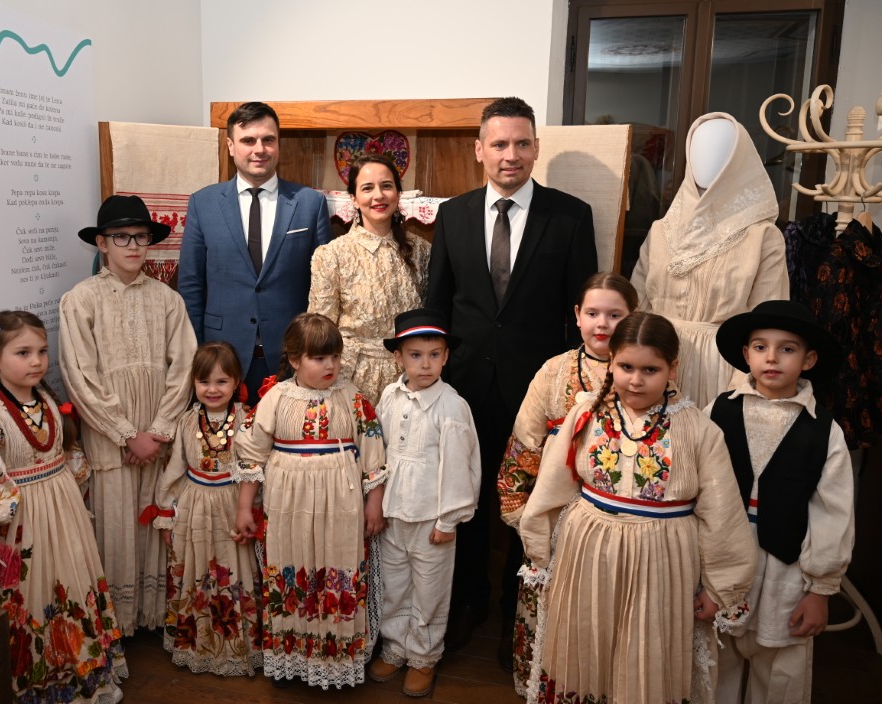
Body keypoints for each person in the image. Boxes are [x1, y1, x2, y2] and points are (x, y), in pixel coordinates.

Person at [426, 96, 598, 656]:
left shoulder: (570, 216)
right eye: (499, 143)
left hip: (538, 395)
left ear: (536, 148)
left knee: (530, 504)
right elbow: (438, 305)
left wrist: (573, 393)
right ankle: (468, 602)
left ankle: (515, 615)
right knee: (469, 498)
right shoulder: (452, 215)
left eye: (522, 143)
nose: (511, 154)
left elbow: (580, 313)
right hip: (466, 389)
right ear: (479, 150)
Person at [520, 312, 756, 704]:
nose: (635, 380)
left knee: (647, 655)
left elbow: (722, 514)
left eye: (650, 370)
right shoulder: (586, 415)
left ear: (672, 369)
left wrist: (721, 586)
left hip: (660, 563)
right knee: (588, 645)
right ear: (611, 362)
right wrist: (540, 552)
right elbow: (552, 486)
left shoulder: (699, 430)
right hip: (588, 556)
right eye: (626, 367)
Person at [0, 310, 127, 702]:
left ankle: (83, 672)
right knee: (36, 593)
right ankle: (44, 683)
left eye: (42, 351)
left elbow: (65, 453)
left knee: (72, 582)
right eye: (23, 353)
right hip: (25, 520)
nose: (36, 361)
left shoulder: (47, 399)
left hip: (63, 510)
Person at [60, 193, 197, 633]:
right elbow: (80, 375)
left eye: (141, 236)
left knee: (154, 519)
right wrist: (125, 433)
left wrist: (157, 431)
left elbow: (184, 366)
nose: (133, 245)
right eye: (121, 237)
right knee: (116, 525)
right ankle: (117, 624)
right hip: (110, 436)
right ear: (101, 243)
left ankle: (152, 616)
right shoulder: (80, 299)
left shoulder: (167, 299)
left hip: (157, 435)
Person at [496, 271, 638, 692]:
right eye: (592, 313)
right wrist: (521, 512)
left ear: (632, 317)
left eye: (615, 315)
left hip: (617, 521)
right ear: (576, 315)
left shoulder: (643, 374)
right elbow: (524, 444)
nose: (602, 324)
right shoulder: (554, 371)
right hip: (556, 515)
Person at [709, 300, 855, 704]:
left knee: (779, 671)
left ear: (808, 360)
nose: (771, 357)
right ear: (746, 354)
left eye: (787, 349)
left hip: (786, 570)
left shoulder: (825, 430)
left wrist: (821, 590)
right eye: (761, 347)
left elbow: (833, 514)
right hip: (722, 563)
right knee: (715, 663)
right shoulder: (717, 411)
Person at [231, 313, 387, 690]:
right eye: (319, 358)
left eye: (335, 356)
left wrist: (375, 503)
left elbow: (373, 454)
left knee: (337, 566)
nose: (330, 365)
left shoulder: (353, 398)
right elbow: (252, 454)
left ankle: (335, 660)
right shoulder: (276, 397)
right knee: (291, 565)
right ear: (295, 359)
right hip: (289, 505)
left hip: (340, 505)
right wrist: (244, 507)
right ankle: (292, 655)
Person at [179, 101, 333, 405]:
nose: (259, 149)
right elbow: (191, 285)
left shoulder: (309, 203)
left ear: (278, 143)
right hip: (222, 359)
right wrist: (199, 354)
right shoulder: (203, 204)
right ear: (230, 146)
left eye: (268, 139)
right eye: (248, 140)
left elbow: (324, 286)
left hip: (292, 355)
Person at [631, 112, 789, 407]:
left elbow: (767, 323)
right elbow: (638, 305)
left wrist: (741, 388)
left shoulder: (762, 237)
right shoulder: (662, 231)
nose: (706, 160)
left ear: (738, 161)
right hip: (656, 360)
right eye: (699, 150)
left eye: (720, 150)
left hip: (721, 369)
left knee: (710, 435)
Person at [368, 308, 480, 697]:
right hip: (393, 513)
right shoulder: (389, 396)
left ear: (446, 357)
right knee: (395, 585)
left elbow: (460, 467)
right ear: (398, 358)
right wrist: (375, 501)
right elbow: (379, 450)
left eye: (434, 355)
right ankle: (395, 647)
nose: (425, 364)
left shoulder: (451, 406)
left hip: (431, 519)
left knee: (430, 591)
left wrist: (448, 520)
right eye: (415, 355)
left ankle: (423, 656)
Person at [145, 341, 262, 676]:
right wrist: (166, 513)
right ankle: (199, 644)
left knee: (232, 569)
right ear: (193, 383)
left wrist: (253, 511)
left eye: (222, 381)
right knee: (197, 571)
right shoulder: (186, 422)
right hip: (194, 506)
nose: (212, 389)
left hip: (232, 506)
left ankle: (236, 647)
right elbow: (173, 471)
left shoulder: (247, 420)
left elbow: (255, 467)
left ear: (236, 381)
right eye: (204, 381)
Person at [308, 153, 430, 407]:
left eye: (386, 186)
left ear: (398, 193)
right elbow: (321, 330)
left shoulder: (421, 251)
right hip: (350, 380)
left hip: (410, 378)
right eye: (367, 188)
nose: (378, 195)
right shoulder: (332, 254)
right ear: (353, 198)